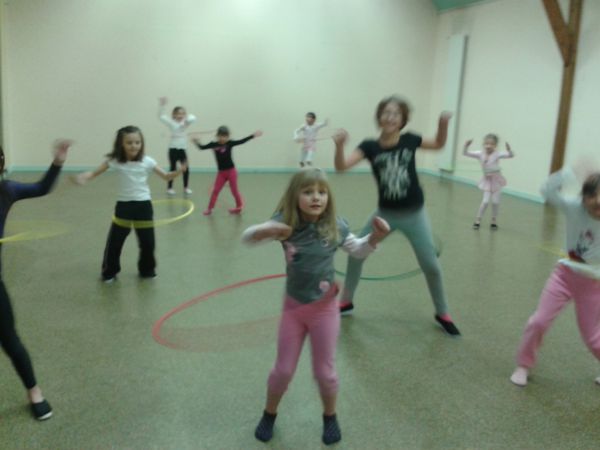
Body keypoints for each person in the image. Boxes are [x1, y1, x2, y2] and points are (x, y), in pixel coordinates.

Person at [242, 168, 390, 445]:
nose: (316, 198)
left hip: (325, 311)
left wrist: (374, 238)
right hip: (294, 309)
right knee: (283, 371)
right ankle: (269, 413)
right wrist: (264, 230)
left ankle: (330, 416)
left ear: (328, 197)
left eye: (321, 192)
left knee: (325, 372)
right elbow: (248, 239)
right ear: (295, 196)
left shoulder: (335, 226)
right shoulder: (285, 224)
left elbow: (357, 250)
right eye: (308, 192)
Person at [332, 95, 460, 336]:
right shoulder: (369, 146)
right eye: (386, 112)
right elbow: (341, 166)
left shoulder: (410, 139)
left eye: (396, 114)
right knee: (356, 255)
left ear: (403, 120)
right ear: (379, 117)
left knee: (431, 265)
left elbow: (438, 144)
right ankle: (346, 302)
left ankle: (442, 312)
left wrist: (443, 125)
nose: (390, 117)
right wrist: (339, 146)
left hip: (415, 214)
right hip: (384, 216)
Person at [0, 139, 71, 420]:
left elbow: (41, 188)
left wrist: (58, 162)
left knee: (10, 340)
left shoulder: (6, 190)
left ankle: (34, 391)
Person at [510, 165, 600, 387]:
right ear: (585, 197)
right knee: (539, 321)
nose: (598, 203)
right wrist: (568, 173)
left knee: (593, 336)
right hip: (564, 275)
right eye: (593, 197)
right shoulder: (574, 207)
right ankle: (523, 365)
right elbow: (547, 192)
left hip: (592, 283)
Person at [74, 126, 185, 282]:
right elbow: (94, 173)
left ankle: (147, 270)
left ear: (142, 144)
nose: (134, 146)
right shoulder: (115, 161)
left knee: (147, 242)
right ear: (121, 144)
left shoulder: (148, 161)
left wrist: (178, 172)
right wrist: (84, 177)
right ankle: (109, 271)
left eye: (137, 142)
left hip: (144, 206)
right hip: (124, 206)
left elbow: (166, 176)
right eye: (129, 142)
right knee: (115, 242)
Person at [193, 126, 262, 215]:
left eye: (225, 136)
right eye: (221, 136)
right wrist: (196, 141)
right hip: (221, 173)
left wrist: (252, 136)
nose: (223, 138)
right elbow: (201, 147)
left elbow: (241, 141)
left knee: (234, 191)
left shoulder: (230, 143)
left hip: (231, 171)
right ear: (217, 136)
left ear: (228, 137)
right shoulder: (213, 144)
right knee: (216, 190)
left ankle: (239, 207)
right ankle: (209, 209)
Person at [463, 134, 514, 229]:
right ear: (484, 144)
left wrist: (509, 149)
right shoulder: (480, 154)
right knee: (485, 201)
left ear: (495, 145)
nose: (489, 146)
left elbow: (510, 155)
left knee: (495, 202)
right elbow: (465, 153)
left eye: (491, 144)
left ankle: (493, 220)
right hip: (487, 181)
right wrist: (466, 145)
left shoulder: (497, 154)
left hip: (496, 181)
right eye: (486, 143)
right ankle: (478, 220)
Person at [158, 97, 196, 196]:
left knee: (186, 169)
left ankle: (186, 187)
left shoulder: (186, 122)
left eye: (182, 114)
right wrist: (162, 105)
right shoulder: (171, 123)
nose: (180, 115)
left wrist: (186, 121)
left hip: (182, 150)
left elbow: (193, 117)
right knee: (173, 168)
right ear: (174, 115)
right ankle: (170, 188)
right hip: (173, 149)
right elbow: (161, 116)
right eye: (178, 114)